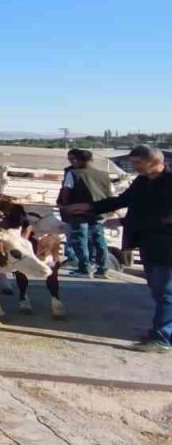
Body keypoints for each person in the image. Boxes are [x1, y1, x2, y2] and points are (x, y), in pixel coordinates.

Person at [64, 146, 172, 352]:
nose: (134, 167)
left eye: (138, 163)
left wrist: (125, 222)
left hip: (167, 246)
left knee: (167, 292)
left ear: (155, 161)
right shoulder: (142, 181)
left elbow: (164, 218)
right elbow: (122, 200)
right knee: (159, 292)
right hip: (148, 243)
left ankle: (163, 338)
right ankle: (161, 331)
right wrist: (89, 207)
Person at [57, 148, 116, 279]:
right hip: (98, 211)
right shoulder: (104, 174)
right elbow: (110, 193)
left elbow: (66, 190)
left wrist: (66, 207)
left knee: (79, 239)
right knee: (99, 240)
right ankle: (102, 269)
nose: (71, 162)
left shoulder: (73, 173)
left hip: (78, 211)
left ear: (78, 160)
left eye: (72, 159)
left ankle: (85, 268)